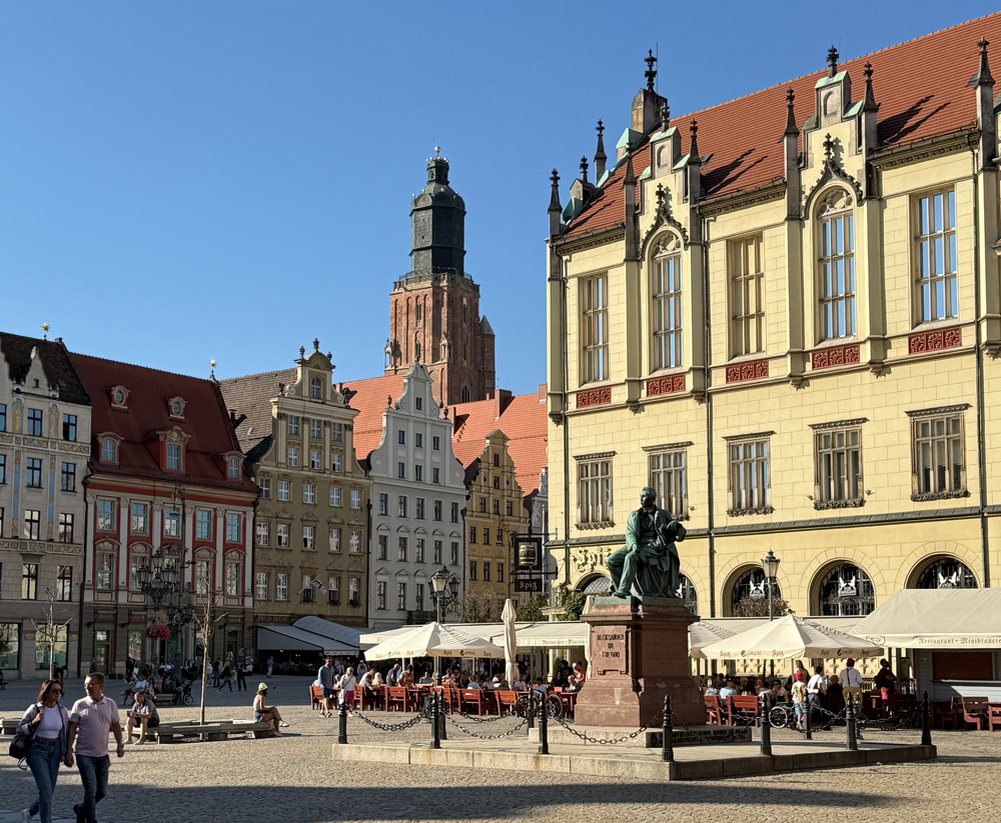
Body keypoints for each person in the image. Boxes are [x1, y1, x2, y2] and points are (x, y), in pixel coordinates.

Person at [65, 673, 125, 823]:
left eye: (91, 684)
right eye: (85, 685)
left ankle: (81, 809)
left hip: (102, 755)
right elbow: (72, 728)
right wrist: (69, 750)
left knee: (101, 792)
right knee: (90, 790)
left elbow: (116, 725)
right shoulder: (80, 704)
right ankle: (91, 820)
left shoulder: (110, 704)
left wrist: (119, 744)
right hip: (84, 754)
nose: (87, 687)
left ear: (101, 686)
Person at [608, 486, 686, 598]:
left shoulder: (663, 514)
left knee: (631, 557)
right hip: (636, 544)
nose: (641, 498)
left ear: (652, 499)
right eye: (641, 496)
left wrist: (677, 527)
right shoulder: (634, 515)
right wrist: (634, 545)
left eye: (644, 496)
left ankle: (623, 590)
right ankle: (619, 589)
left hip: (654, 546)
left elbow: (679, 533)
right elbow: (630, 533)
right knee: (611, 560)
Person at [17, 679, 70, 823]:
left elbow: (64, 735)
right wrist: (34, 722)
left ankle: (29, 812)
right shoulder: (35, 708)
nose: (57, 694)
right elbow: (19, 728)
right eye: (54, 691)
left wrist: (67, 753)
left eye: (60, 691)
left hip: (55, 751)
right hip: (37, 751)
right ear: (45, 693)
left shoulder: (62, 711)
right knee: (46, 790)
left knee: (48, 792)